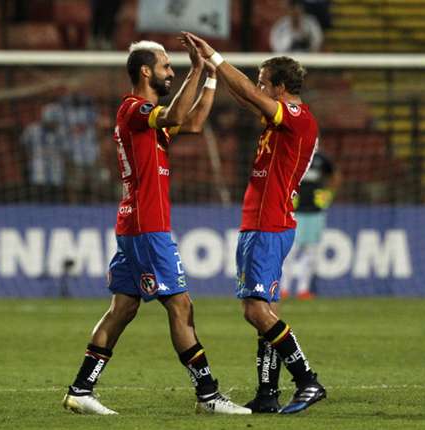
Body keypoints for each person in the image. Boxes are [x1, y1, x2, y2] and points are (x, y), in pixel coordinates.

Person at [61, 39, 251, 415]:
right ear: (145, 71)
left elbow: (193, 122)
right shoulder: (135, 110)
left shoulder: (146, 120)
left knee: (123, 308)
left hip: (136, 224)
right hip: (148, 227)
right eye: (166, 66)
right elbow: (176, 116)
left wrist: (210, 78)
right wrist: (198, 69)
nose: (171, 71)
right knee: (180, 305)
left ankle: (80, 390)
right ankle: (208, 396)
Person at [183, 31, 327, 414]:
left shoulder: (296, 117)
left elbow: (248, 92)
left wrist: (213, 58)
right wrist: (214, 75)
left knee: (254, 310)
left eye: (265, 82)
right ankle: (267, 393)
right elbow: (245, 93)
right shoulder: (280, 117)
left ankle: (308, 380)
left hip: (270, 221)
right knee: (264, 309)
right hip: (261, 220)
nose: (258, 88)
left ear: (280, 88)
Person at [280, 151, 341, 299]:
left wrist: (329, 195)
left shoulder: (321, 159)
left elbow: (335, 175)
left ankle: (303, 290)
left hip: (316, 211)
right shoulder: (294, 156)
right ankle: (283, 288)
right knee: (290, 251)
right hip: (296, 211)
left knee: (311, 252)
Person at [20, 103, 69, 202]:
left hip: (56, 171)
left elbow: (66, 150)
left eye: (56, 122)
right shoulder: (32, 130)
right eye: (52, 121)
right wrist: (30, 157)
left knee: (55, 200)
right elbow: (24, 144)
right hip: (38, 171)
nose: (54, 124)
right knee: (38, 199)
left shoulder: (62, 132)